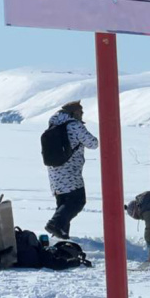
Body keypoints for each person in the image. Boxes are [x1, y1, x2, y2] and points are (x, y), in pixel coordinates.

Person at [45, 101, 99, 239]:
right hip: (70, 172)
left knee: (63, 204)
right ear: (73, 112)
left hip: (54, 172)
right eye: (80, 112)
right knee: (77, 201)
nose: (82, 115)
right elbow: (93, 143)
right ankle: (55, 224)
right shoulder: (74, 125)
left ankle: (61, 235)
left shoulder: (54, 124)